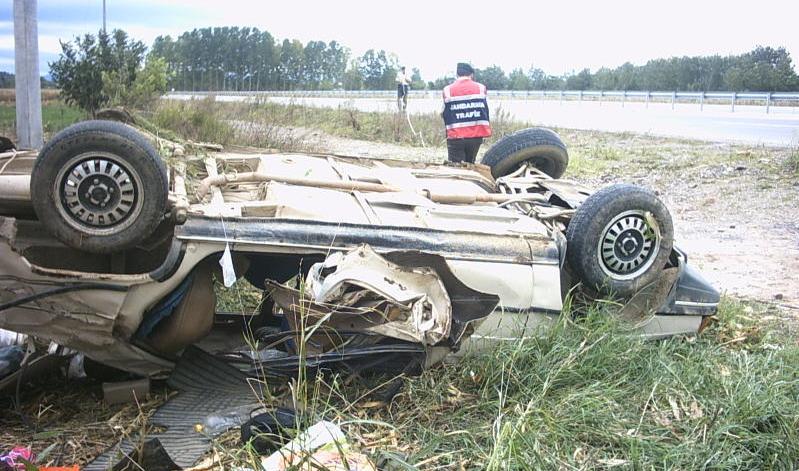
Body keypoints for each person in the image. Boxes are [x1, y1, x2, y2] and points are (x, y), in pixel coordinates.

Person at [442, 62, 491, 164]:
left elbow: (443, 113)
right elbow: (485, 110)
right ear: (471, 75)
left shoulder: (447, 90)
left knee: (456, 168)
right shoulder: (481, 88)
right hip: (476, 136)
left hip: (456, 137)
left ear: (457, 74)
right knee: (470, 164)